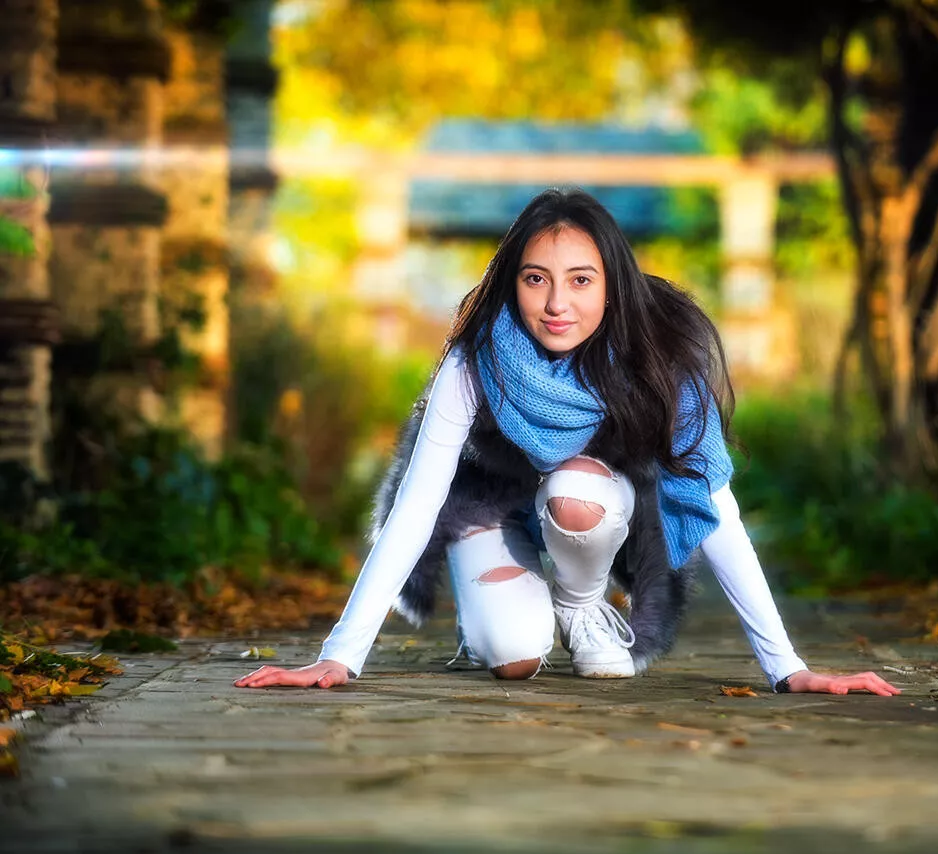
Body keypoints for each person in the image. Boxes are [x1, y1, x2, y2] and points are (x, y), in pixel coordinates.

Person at [235, 189, 900, 698]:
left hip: (587, 507)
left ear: (613, 286)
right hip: (491, 505)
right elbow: (416, 504)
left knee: (576, 486)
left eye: (581, 279)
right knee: (514, 657)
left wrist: (789, 669)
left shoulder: (660, 356)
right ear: (512, 281)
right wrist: (339, 656)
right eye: (535, 278)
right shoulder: (477, 359)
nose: (556, 303)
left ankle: (581, 607)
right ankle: (514, 606)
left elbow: (710, 503)